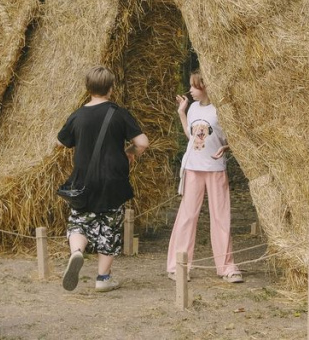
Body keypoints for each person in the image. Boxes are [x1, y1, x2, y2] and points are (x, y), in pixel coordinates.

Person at [56, 66, 150, 293]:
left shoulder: (77, 115)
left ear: (87, 88)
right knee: (109, 227)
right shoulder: (118, 113)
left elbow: (61, 142)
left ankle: (77, 252)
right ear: (111, 88)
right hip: (112, 181)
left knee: (79, 221)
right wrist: (130, 152)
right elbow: (143, 143)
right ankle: (103, 278)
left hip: (83, 181)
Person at [166, 69, 243, 284]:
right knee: (187, 216)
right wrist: (182, 113)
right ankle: (177, 266)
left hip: (216, 168)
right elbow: (191, 136)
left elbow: (234, 138)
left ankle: (227, 267)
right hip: (192, 168)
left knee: (220, 217)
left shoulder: (221, 110)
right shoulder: (191, 109)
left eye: (194, 86)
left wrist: (226, 148)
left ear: (206, 86)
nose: (190, 90)